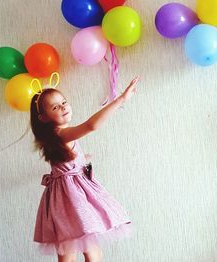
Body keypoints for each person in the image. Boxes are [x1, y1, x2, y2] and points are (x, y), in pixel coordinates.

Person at [30, 75, 139, 262]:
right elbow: (91, 125)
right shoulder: (62, 134)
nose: (63, 107)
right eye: (55, 107)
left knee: (70, 251)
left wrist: (82, 158)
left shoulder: (54, 137)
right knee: (90, 251)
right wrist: (121, 99)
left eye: (64, 102)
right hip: (73, 197)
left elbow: (63, 161)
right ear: (44, 117)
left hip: (60, 199)